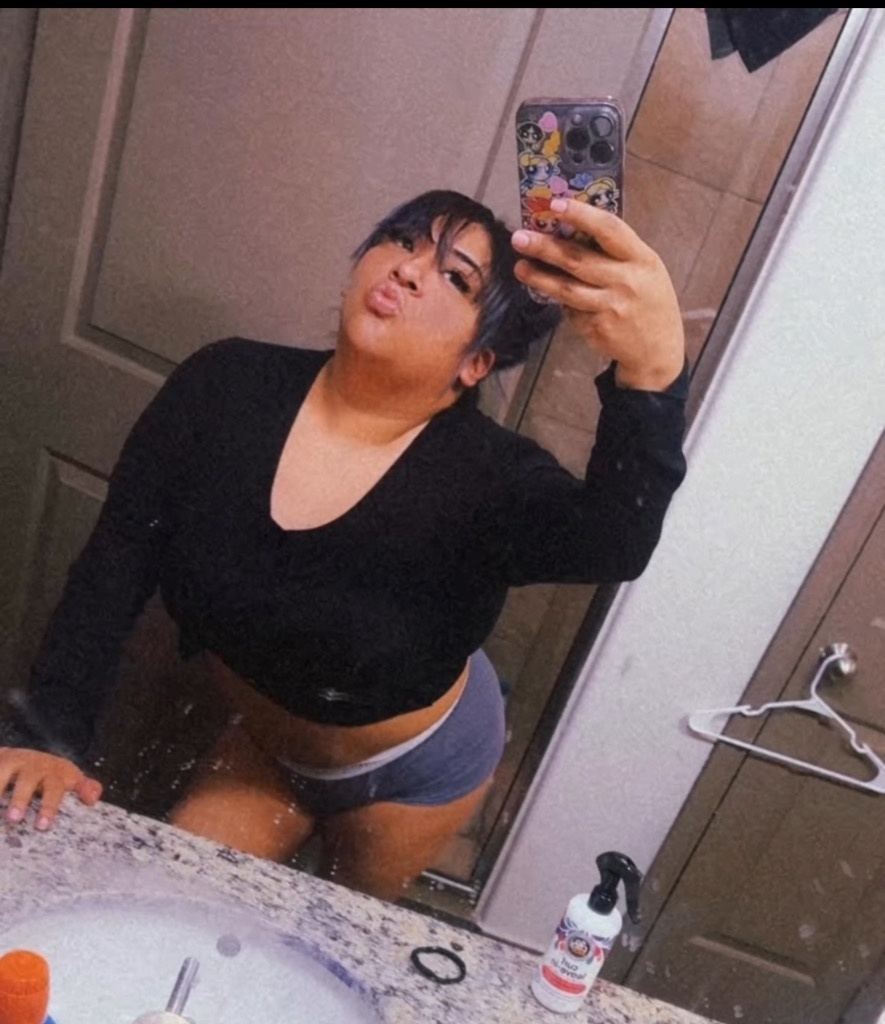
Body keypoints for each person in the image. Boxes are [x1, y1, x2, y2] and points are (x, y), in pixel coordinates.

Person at [0, 190, 688, 900]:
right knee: (164, 907)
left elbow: (614, 544)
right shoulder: (224, 386)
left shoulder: (490, 478)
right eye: (401, 239)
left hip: (416, 771)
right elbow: (116, 561)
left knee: (325, 941)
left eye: (455, 278)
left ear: (476, 363)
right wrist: (46, 736)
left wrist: (653, 373)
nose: (408, 270)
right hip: (266, 749)